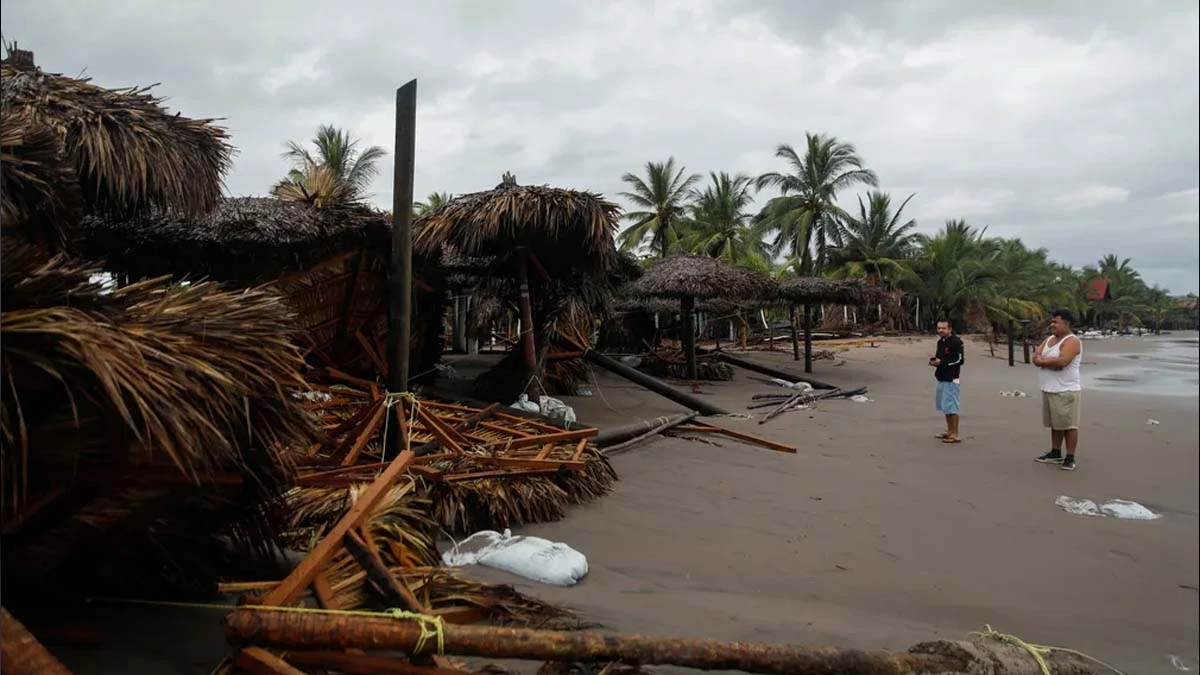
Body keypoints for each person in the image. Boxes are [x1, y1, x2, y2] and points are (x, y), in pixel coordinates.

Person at [1033, 309, 1083, 471]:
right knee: (1055, 424)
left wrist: (1043, 361)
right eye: (1052, 321)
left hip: (1066, 389)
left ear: (1066, 324)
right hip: (1049, 388)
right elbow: (1036, 356)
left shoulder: (1072, 341)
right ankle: (1055, 453)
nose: (1052, 324)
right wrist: (1045, 361)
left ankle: (1070, 457)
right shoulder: (1050, 339)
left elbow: (1063, 361)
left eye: (1056, 322)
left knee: (1069, 425)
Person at [929, 320, 964, 443]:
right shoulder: (941, 342)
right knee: (945, 406)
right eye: (939, 328)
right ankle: (949, 431)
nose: (940, 330)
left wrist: (942, 363)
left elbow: (959, 360)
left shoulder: (956, 342)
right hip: (941, 377)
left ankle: (955, 434)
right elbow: (940, 357)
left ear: (949, 329)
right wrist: (935, 362)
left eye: (943, 328)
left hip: (951, 378)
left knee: (952, 406)